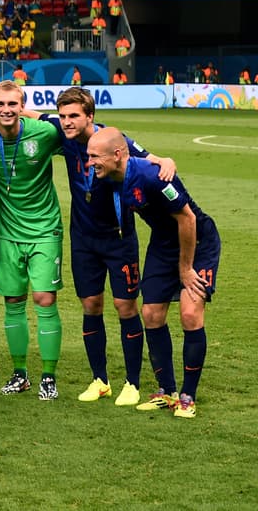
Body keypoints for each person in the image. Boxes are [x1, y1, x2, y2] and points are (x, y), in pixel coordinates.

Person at [34, 88, 176, 406]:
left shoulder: (112, 140)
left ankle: (132, 383)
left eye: (74, 116)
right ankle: (100, 380)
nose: (67, 122)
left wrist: (165, 160)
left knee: (125, 307)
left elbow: (147, 157)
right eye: (63, 116)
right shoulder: (61, 132)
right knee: (91, 306)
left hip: (119, 238)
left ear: (90, 116)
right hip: (83, 239)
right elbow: (28, 116)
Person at [88, 127, 220, 419]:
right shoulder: (110, 175)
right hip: (163, 243)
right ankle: (167, 392)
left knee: (189, 313)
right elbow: (108, 132)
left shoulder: (153, 177)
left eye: (95, 156)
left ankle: (187, 396)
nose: (90, 162)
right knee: (151, 314)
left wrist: (185, 268)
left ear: (117, 155)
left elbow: (187, 219)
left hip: (197, 241)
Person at [0, 81, 64, 399]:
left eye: (13, 104)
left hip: (44, 230)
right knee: (13, 302)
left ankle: (49, 376)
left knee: (44, 299)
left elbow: (81, 131)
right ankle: (20, 373)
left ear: (23, 105)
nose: (6, 110)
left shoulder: (44, 133)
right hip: (5, 232)